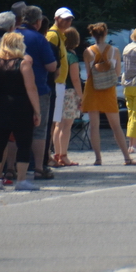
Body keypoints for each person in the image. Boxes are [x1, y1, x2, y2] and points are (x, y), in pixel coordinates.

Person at [0, 31, 40, 191]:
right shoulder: (23, 64)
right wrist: (37, 111)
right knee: (23, 144)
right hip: (20, 107)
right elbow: (31, 88)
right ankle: (21, 180)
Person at [81, 22, 136, 165]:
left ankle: (98, 158)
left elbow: (88, 74)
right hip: (108, 90)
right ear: (105, 33)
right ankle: (126, 158)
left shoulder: (87, 52)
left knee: (94, 126)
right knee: (116, 126)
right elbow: (117, 73)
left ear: (93, 35)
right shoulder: (114, 51)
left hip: (92, 89)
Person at [16, 6, 58, 181]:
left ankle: (10, 168)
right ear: (38, 22)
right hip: (38, 89)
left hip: (12, 89)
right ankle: (39, 168)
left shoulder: (11, 35)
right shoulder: (39, 39)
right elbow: (51, 66)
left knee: (13, 131)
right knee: (39, 130)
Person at [45, 7, 73, 168]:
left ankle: (52, 155)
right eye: (65, 18)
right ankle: (47, 155)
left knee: (54, 122)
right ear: (56, 18)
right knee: (52, 122)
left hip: (59, 83)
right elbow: (50, 59)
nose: (68, 21)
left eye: (70, 19)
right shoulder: (53, 35)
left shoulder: (59, 35)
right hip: (55, 83)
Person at [51, 26, 83, 167]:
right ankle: (64, 155)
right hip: (70, 92)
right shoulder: (72, 57)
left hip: (59, 90)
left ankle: (57, 154)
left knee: (58, 124)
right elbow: (75, 79)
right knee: (67, 125)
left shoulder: (60, 54)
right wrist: (81, 96)